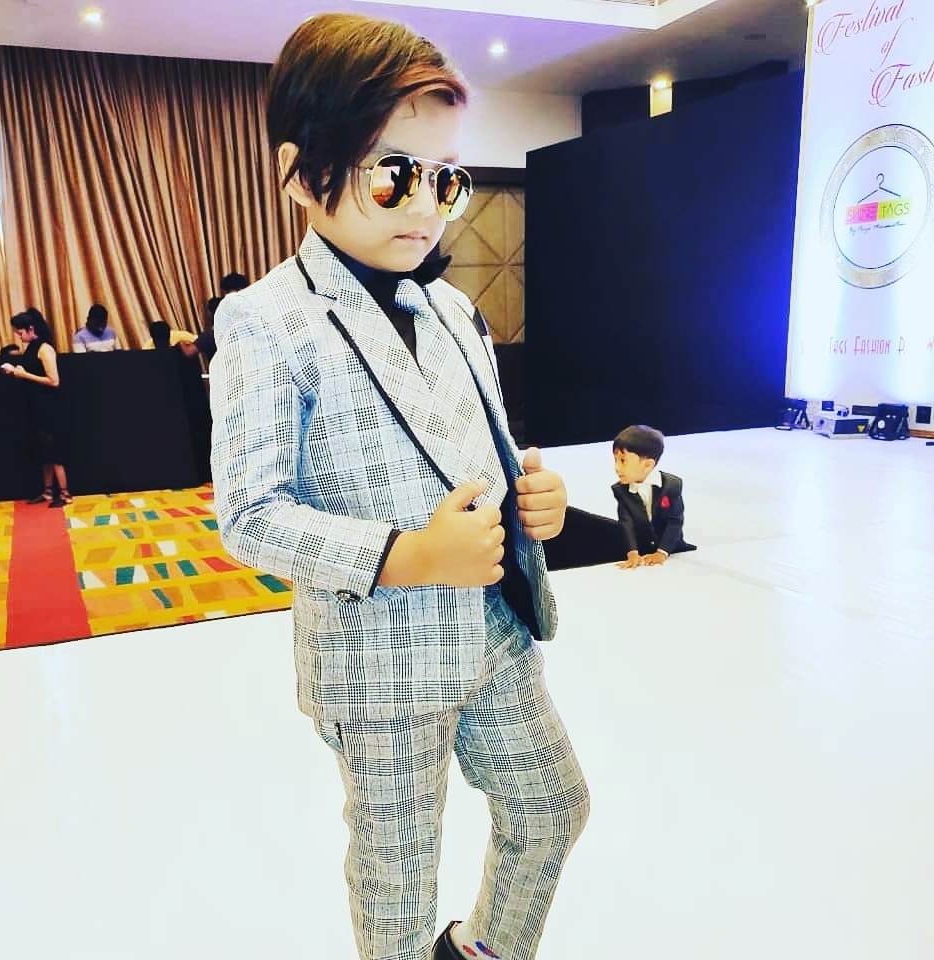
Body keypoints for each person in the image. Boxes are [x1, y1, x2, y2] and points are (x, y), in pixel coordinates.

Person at [209, 14, 589, 960]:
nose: (426, 206)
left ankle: (483, 951)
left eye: (446, 178)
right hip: (379, 667)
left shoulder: (452, 305)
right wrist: (410, 554)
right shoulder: (266, 322)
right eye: (393, 175)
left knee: (553, 807)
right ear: (302, 174)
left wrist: (530, 497)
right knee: (397, 894)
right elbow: (249, 515)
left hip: (495, 629)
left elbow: (483, 449)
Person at [3, 310, 72, 507]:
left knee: (54, 450)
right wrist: (20, 372)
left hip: (49, 407)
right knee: (44, 449)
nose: (19, 336)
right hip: (37, 406)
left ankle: (65, 494)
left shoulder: (44, 348)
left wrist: (23, 374)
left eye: (20, 332)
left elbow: (54, 380)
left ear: (30, 329)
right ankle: (48, 491)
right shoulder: (32, 348)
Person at [611, 424, 696, 568]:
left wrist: (662, 552)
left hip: (672, 551)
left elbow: (675, 521)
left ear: (648, 465)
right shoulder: (621, 490)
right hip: (643, 549)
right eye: (616, 460)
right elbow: (626, 523)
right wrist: (632, 552)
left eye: (623, 461)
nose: (617, 468)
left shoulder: (671, 485)